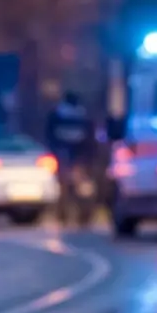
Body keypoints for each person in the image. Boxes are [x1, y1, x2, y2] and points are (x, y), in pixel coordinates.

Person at [45, 92, 95, 224]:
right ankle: (83, 216)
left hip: (63, 154)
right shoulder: (83, 116)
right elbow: (89, 139)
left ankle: (63, 215)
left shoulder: (57, 114)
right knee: (82, 188)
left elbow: (50, 135)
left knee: (64, 187)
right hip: (79, 156)